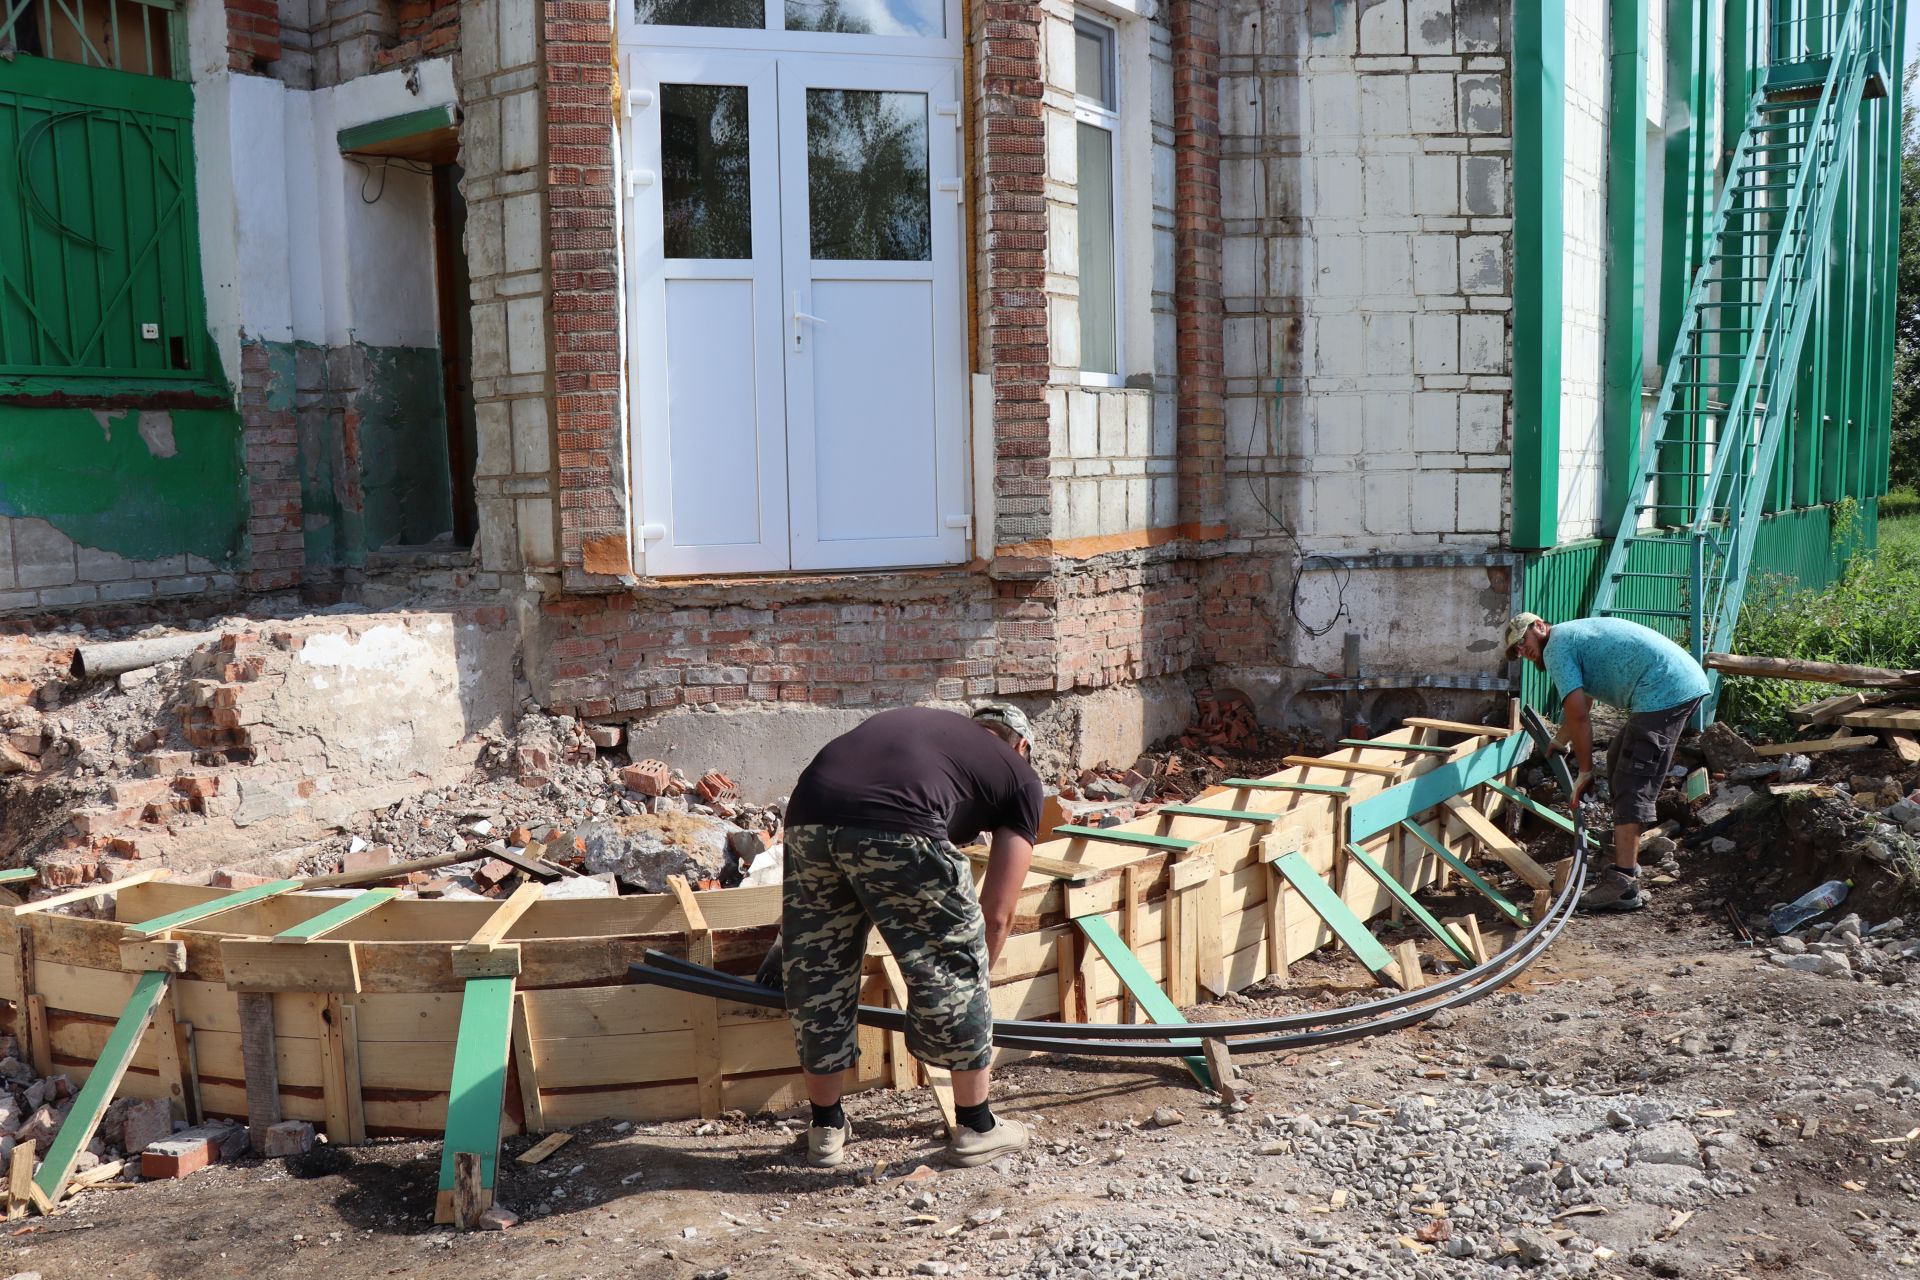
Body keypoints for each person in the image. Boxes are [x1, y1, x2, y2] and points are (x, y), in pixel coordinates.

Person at [779, 703, 1042, 1169]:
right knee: (955, 964)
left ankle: (824, 1128)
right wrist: (971, 978)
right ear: (1022, 746)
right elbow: (997, 914)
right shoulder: (1020, 777)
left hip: (808, 810)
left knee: (818, 969)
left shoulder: (936, 735)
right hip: (899, 818)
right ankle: (977, 1127)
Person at [1504, 612, 1710, 912]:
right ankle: (1621, 854)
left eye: (1524, 641)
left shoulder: (1556, 648)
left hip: (1665, 689)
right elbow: (1583, 699)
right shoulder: (1569, 637)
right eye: (1517, 650)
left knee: (1633, 778)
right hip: (1673, 682)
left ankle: (1623, 885)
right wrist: (1561, 741)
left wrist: (1586, 771)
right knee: (1617, 758)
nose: (1524, 651)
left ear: (1539, 627)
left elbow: (1578, 714)